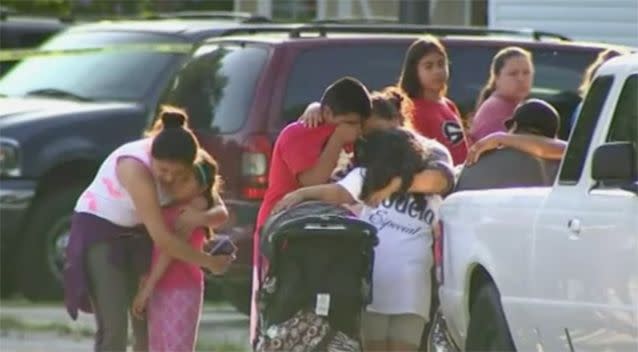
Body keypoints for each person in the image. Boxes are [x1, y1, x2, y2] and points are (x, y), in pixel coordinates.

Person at [64, 106, 233, 352]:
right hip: (100, 229)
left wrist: (198, 217)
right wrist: (207, 261)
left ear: (191, 165)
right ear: (152, 156)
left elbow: (218, 208)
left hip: (138, 233)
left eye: (179, 174)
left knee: (144, 321)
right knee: (115, 326)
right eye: (163, 170)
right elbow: (163, 239)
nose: (168, 179)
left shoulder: (192, 158)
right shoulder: (135, 169)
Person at [272, 128, 454, 352]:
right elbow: (338, 193)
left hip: (413, 289)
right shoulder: (367, 177)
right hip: (373, 284)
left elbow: (441, 188)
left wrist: (396, 184)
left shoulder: (427, 187)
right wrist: (302, 194)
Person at [250, 76, 372, 342]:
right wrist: (338, 137)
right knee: (281, 306)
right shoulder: (299, 132)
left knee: (333, 311)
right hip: (284, 233)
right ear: (328, 113)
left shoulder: (349, 134)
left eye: (358, 124)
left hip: (331, 234)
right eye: (349, 123)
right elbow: (312, 180)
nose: (355, 131)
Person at [131, 151, 228, 352]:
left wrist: (148, 286)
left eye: (185, 179)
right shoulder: (171, 204)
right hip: (162, 286)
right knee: (158, 346)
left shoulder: (193, 208)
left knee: (176, 347)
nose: (175, 183)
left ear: (201, 186)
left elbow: (169, 250)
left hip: (181, 287)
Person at [459, 99, 567, 191]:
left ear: (514, 126)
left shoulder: (478, 158)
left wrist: (500, 138)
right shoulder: (566, 168)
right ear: (554, 137)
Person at [397, 36, 469, 165]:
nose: (437, 71)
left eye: (441, 64)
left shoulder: (449, 105)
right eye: (428, 66)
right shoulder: (412, 110)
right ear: (414, 71)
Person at [469, 46, 534, 143]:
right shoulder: (495, 109)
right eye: (513, 73)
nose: (521, 79)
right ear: (497, 78)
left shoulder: (515, 106)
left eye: (526, 72)